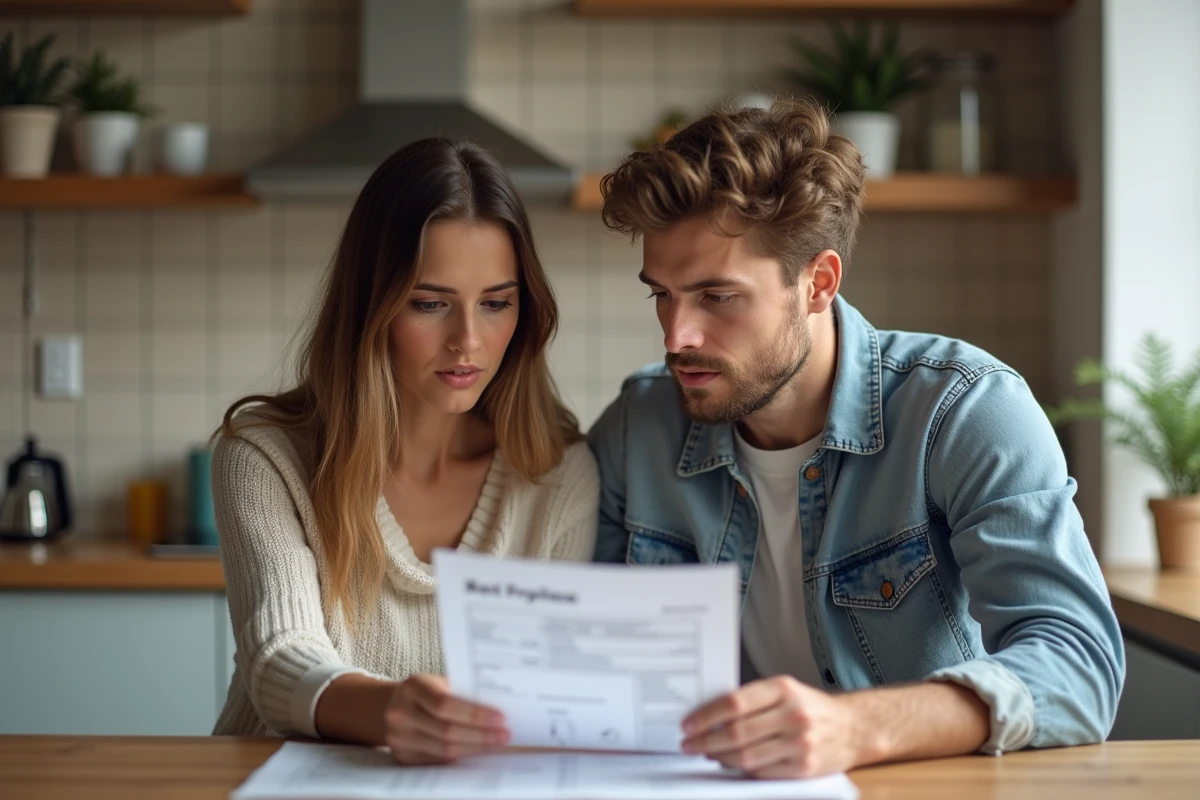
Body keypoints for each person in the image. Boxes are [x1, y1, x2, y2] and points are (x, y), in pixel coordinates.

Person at [588, 100, 1124, 779]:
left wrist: (855, 728)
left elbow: (1079, 666)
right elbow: (587, 661)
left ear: (818, 282)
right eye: (660, 294)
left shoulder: (963, 410)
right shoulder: (639, 427)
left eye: (717, 297)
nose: (676, 337)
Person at [211, 138, 599, 766]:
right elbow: (279, 658)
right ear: (373, 305)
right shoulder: (265, 458)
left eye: (496, 303)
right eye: (429, 303)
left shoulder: (557, 475)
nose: (468, 341)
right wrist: (394, 712)